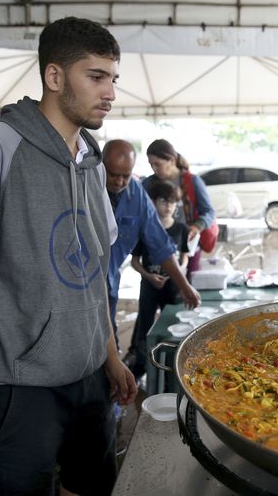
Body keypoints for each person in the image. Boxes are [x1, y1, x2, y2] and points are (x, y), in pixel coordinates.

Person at [0, 17, 134, 496]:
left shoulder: (92, 162)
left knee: (92, 486)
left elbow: (93, 266)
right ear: (54, 77)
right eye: (96, 77)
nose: (111, 92)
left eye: (113, 79)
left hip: (90, 380)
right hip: (17, 385)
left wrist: (110, 355)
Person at [101, 138, 199, 352]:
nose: (119, 182)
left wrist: (184, 286)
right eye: (113, 174)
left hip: (109, 280)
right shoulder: (83, 187)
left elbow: (160, 244)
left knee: (108, 342)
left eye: (125, 176)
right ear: (101, 166)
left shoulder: (136, 194)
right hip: (78, 283)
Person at [127, 180, 190, 379]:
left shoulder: (181, 228)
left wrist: (178, 272)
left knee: (174, 325)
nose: (168, 206)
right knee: (144, 327)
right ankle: (139, 369)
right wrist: (148, 276)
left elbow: (185, 255)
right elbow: (135, 261)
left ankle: (171, 368)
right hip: (149, 287)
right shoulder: (144, 229)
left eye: (172, 202)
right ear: (152, 202)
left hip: (173, 289)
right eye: (163, 201)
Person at [144, 138, 216, 278]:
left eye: (157, 164)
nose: (154, 169)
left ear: (171, 160)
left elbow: (209, 211)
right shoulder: (148, 183)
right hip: (157, 245)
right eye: (151, 165)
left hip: (188, 244)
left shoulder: (192, 181)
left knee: (187, 285)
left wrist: (196, 227)